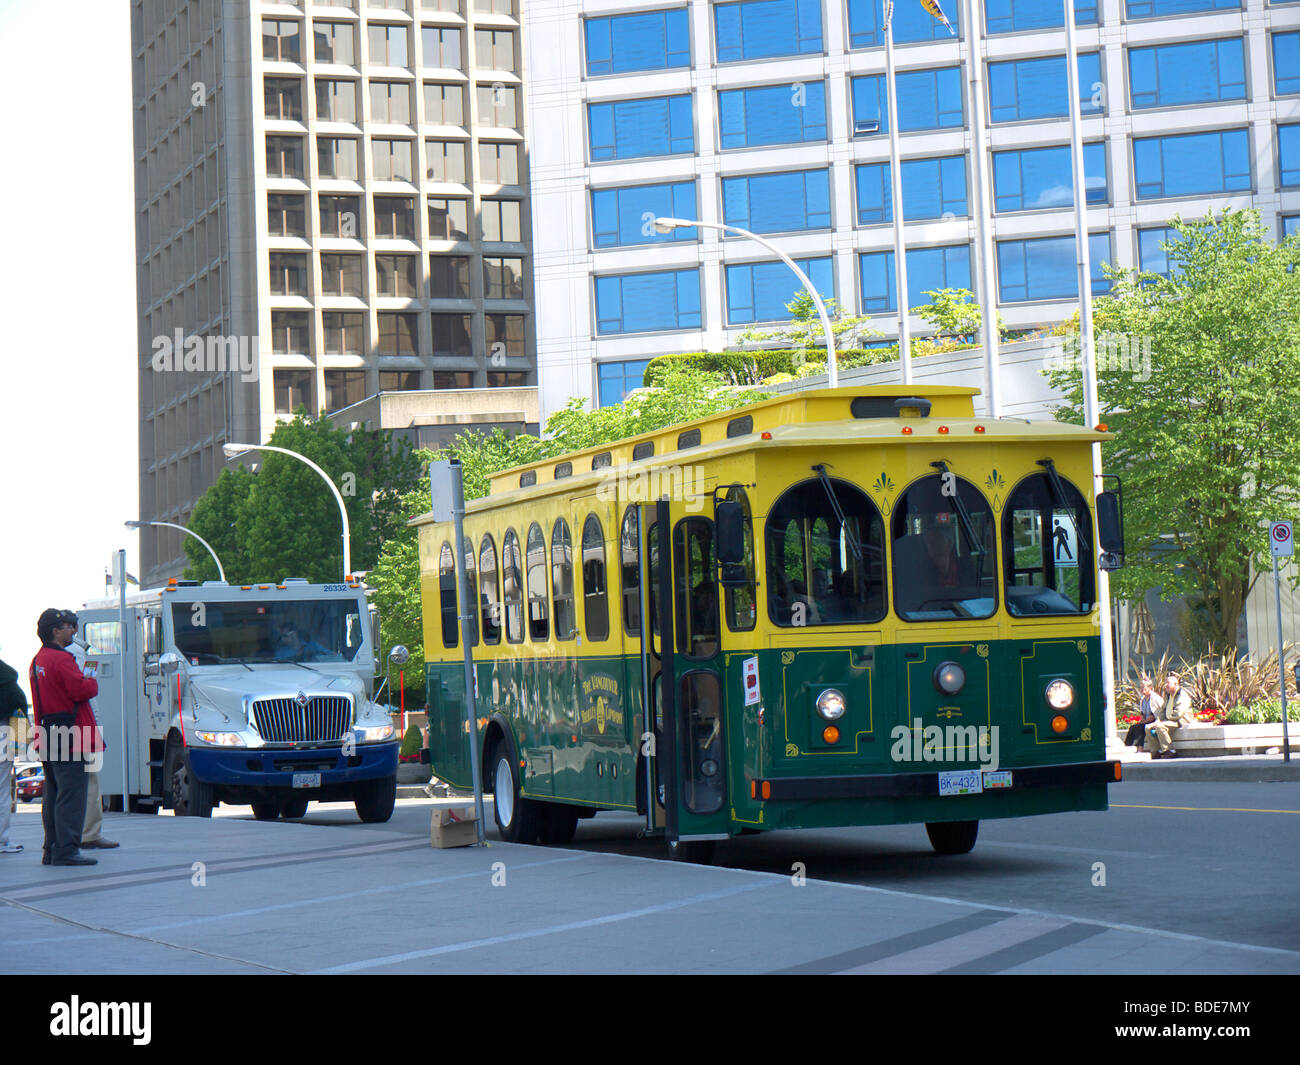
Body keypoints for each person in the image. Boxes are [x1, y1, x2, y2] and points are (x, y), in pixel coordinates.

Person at [30, 609, 101, 866]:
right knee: (72, 793)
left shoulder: (38, 660)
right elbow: (80, 689)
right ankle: (67, 849)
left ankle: (51, 848)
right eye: (67, 626)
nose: (72, 630)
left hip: (47, 731)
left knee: (53, 793)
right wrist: (92, 681)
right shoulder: (62, 659)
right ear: (55, 630)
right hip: (70, 733)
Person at [65, 621, 119, 851]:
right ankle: (90, 833)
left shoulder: (48, 654)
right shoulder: (77, 651)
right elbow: (86, 688)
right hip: (83, 723)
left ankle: (68, 833)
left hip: (61, 726)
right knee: (90, 782)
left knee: (63, 785)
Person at [0, 649, 29, 854]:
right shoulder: (8, 680)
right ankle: (2, 840)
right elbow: (19, 707)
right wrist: (20, 742)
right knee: (2, 789)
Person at [1146, 672, 1193, 758]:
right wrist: (1158, 720)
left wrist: (1163, 721)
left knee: (1160, 727)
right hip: (1169, 721)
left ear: (1176, 684)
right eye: (1165, 683)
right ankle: (1156, 752)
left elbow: (1179, 713)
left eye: (1168, 683)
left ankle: (1170, 750)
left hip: (1180, 721)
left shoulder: (1182, 695)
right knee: (1148, 728)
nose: (1165, 685)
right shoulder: (1168, 695)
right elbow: (1162, 710)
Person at [1124, 675, 1161, 752]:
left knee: (1140, 727)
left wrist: (1143, 722)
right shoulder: (1143, 700)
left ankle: (1140, 749)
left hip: (1155, 721)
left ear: (1150, 688)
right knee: (1132, 727)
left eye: (1143, 687)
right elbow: (1142, 714)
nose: (1141, 690)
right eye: (1140, 687)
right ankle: (1127, 747)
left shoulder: (1155, 698)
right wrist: (1142, 721)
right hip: (1146, 721)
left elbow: (1153, 716)